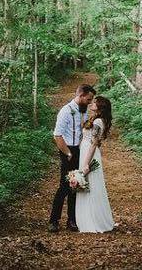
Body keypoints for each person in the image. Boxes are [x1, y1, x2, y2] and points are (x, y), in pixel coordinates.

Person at [48, 83, 96, 232]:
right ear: (80, 96)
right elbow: (57, 136)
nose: (89, 103)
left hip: (79, 151)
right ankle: (54, 221)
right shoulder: (65, 111)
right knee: (64, 186)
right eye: (88, 99)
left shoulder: (83, 111)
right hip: (67, 151)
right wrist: (68, 153)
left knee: (76, 186)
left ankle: (72, 220)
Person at [76, 95, 115, 233]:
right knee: (86, 184)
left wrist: (86, 163)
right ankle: (85, 218)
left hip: (90, 154)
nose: (92, 103)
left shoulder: (98, 121)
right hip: (84, 151)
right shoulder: (94, 118)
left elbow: (93, 144)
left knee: (91, 185)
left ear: (100, 107)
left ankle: (93, 220)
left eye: (95, 102)